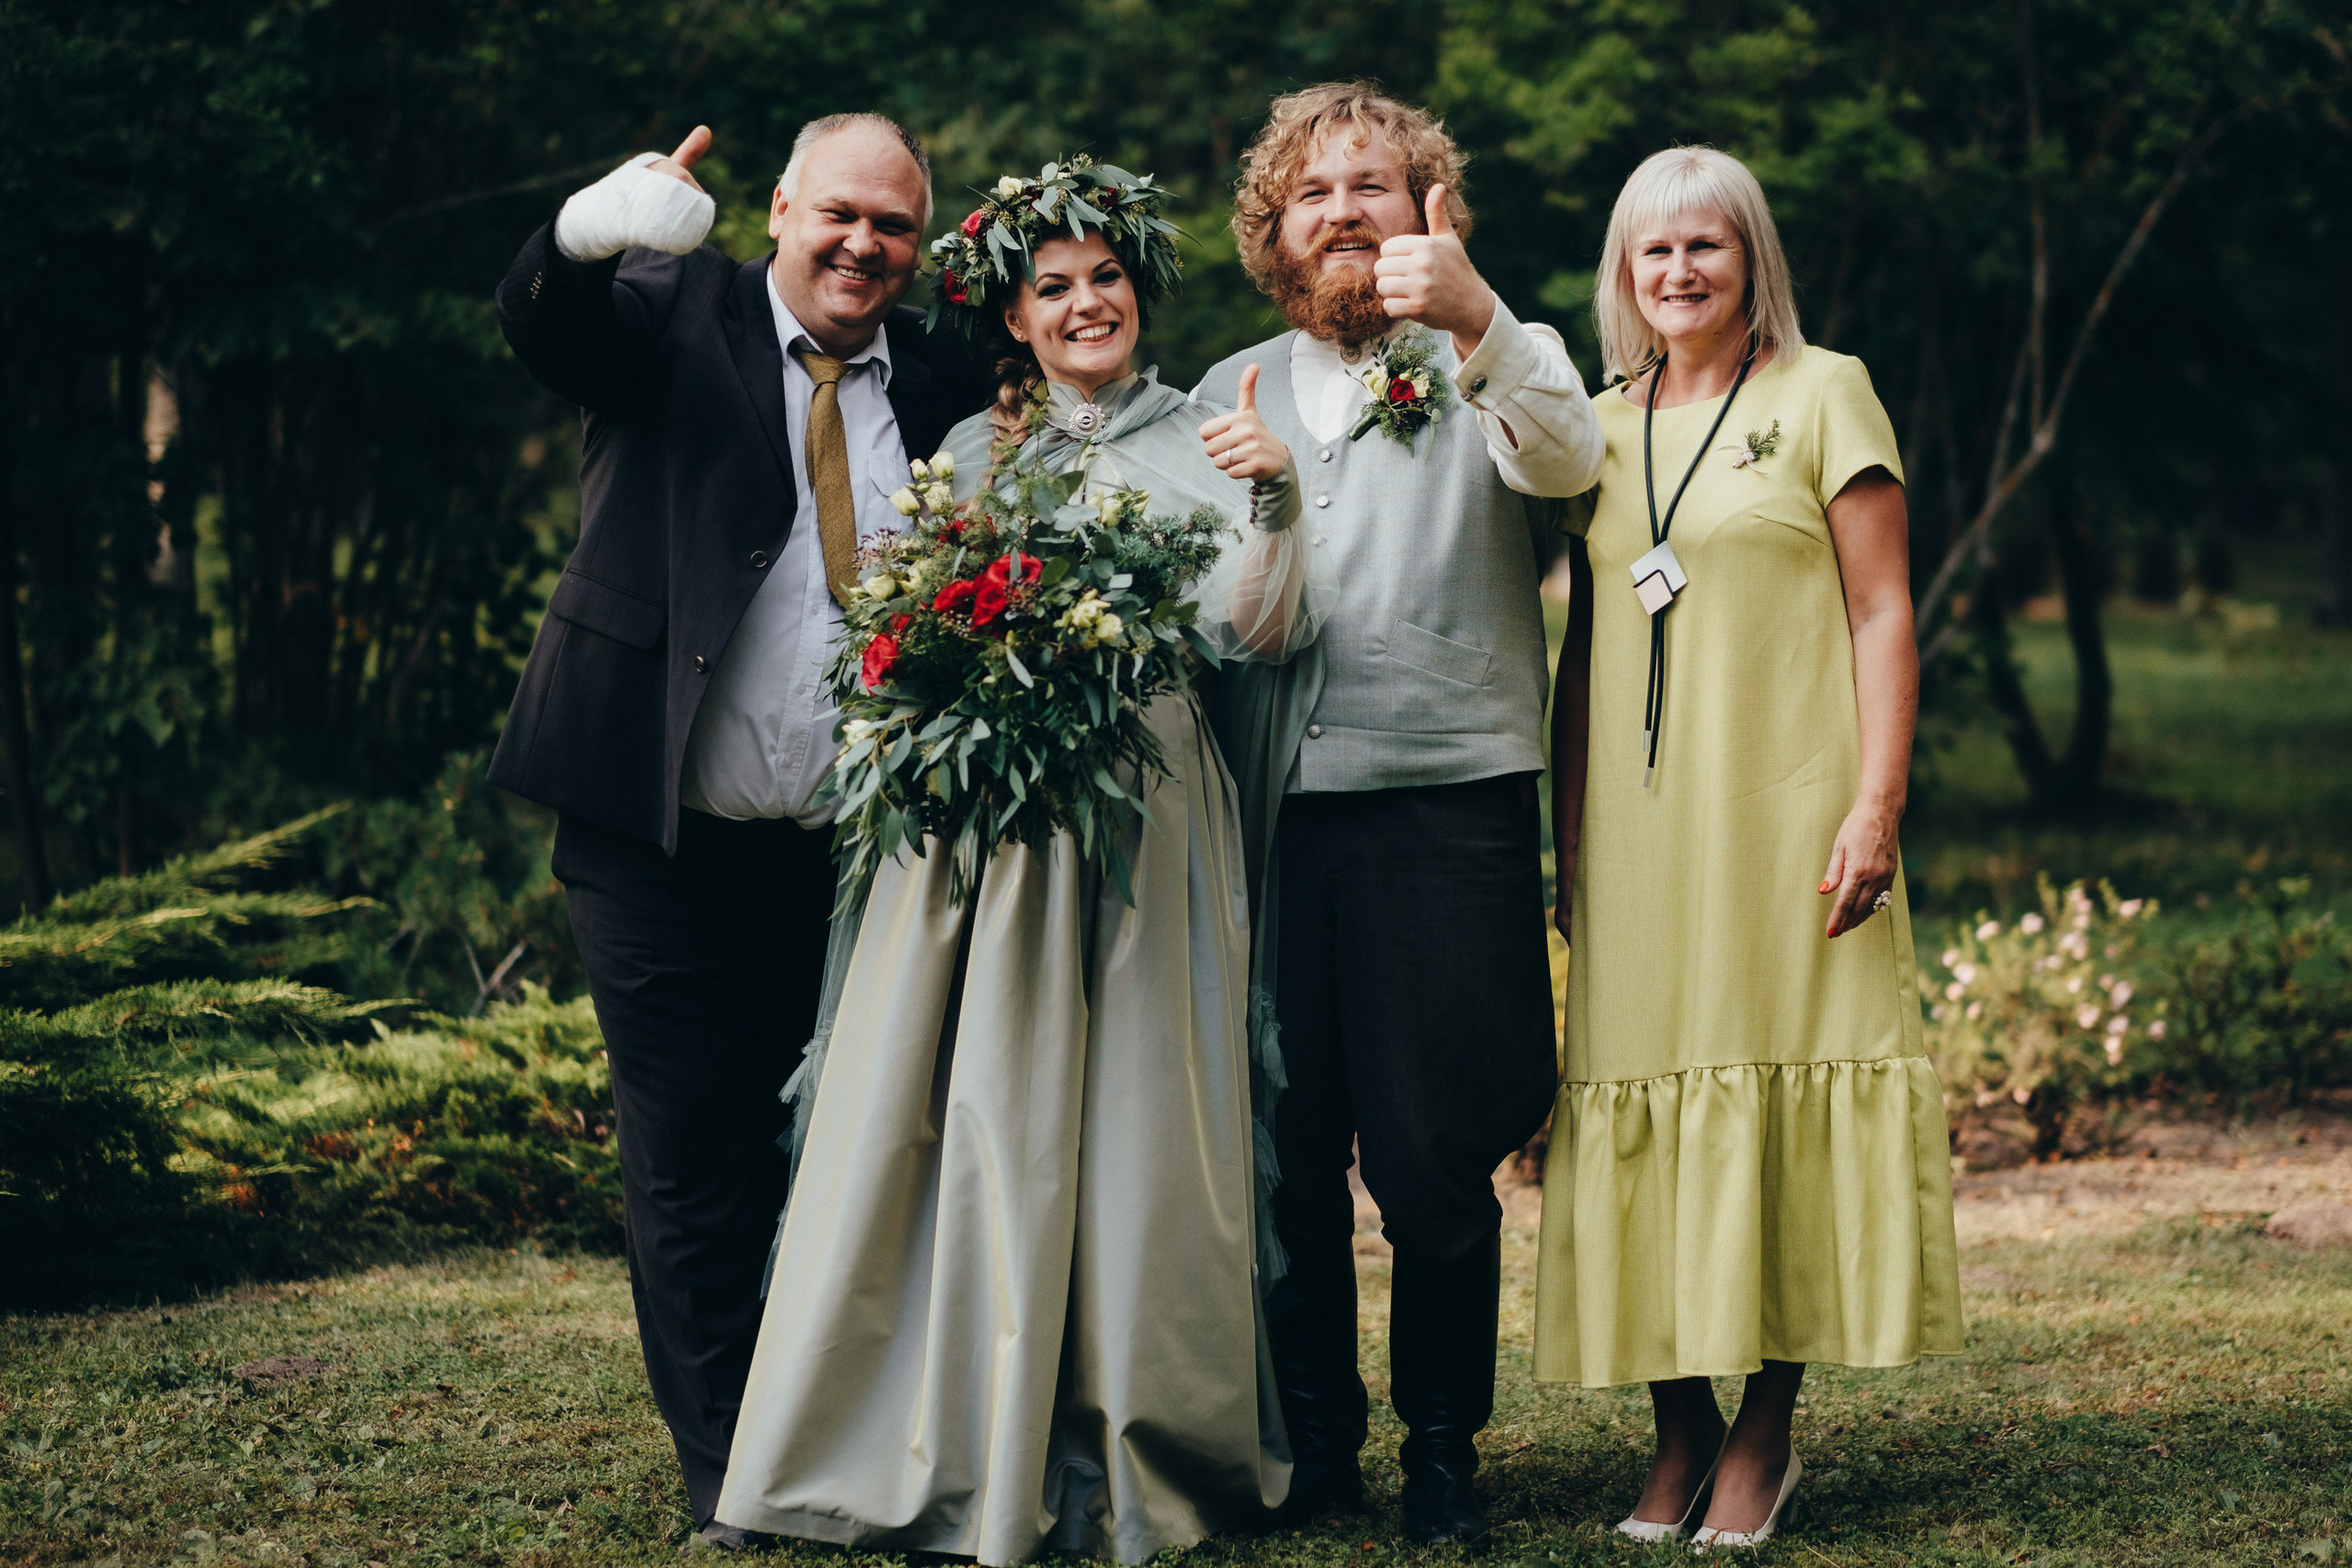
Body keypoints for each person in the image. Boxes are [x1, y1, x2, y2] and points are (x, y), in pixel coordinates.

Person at [714, 156, 1323, 1564]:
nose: (1085, 302)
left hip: (1149, 819)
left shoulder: (1208, 436)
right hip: (989, 845)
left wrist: (1277, 502)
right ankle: (947, 1421)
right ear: (1015, 318)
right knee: (975, 1115)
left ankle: (1137, 1427)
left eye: (1105, 277)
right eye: (1053, 287)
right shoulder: (975, 458)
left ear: (1139, 291)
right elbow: (902, 638)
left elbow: (1262, 633)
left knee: (1134, 1121)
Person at [489, 115, 989, 1545]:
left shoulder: (942, 370)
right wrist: (593, 231)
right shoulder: (671, 309)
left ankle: (832, 1428)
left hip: (859, 852)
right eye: (838, 214)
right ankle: (734, 1478)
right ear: (777, 209)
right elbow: (550, 325)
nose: (861, 246)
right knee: (693, 1157)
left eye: (895, 227)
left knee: (840, 1159)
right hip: (657, 835)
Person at [1193, 82, 1604, 1544]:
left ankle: (1445, 1449)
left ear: (1429, 206)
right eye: (1315, 191)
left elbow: (1570, 464)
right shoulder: (1222, 396)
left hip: (1449, 811)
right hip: (1278, 823)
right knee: (1287, 1152)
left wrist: (1479, 316)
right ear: (1275, 229)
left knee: (1435, 1160)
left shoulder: (1499, 351)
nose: (1346, 210)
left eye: (1375, 183)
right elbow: (1214, 621)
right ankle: (1317, 1441)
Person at [1535, 144, 1964, 1551]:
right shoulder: (1596, 426)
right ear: (1622, 273)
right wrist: (1571, 831)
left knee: (1779, 1095)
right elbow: (1590, 642)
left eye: (1705, 246)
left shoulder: (1825, 392)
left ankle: (1765, 1430)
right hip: (1643, 840)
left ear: (1750, 259)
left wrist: (1878, 804)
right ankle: (1677, 1431)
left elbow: (1882, 610)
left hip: (1788, 815)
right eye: (1652, 252)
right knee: (1638, 1095)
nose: (1678, 272)